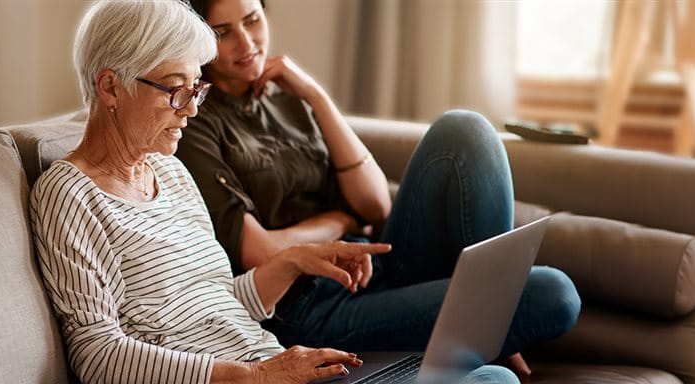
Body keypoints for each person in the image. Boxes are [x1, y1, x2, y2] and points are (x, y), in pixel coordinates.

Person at [30, 1, 520, 382]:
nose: (191, 109)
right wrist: (255, 376)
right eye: (176, 90)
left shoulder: (171, 174)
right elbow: (97, 356)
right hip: (252, 376)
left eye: (196, 90)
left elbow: (218, 301)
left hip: (276, 365)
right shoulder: (70, 195)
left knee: (490, 376)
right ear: (111, 87)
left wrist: (291, 261)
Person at [172, 0, 583, 377]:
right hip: (312, 305)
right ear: (200, 39)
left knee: (464, 130)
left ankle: (490, 329)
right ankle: (494, 333)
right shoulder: (197, 124)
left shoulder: (289, 102)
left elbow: (374, 204)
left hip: (374, 268)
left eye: (253, 20)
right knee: (554, 293)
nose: (246, 42)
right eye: (223, 32)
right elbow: (258, 251)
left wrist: (317, 97)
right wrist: (339, 220)